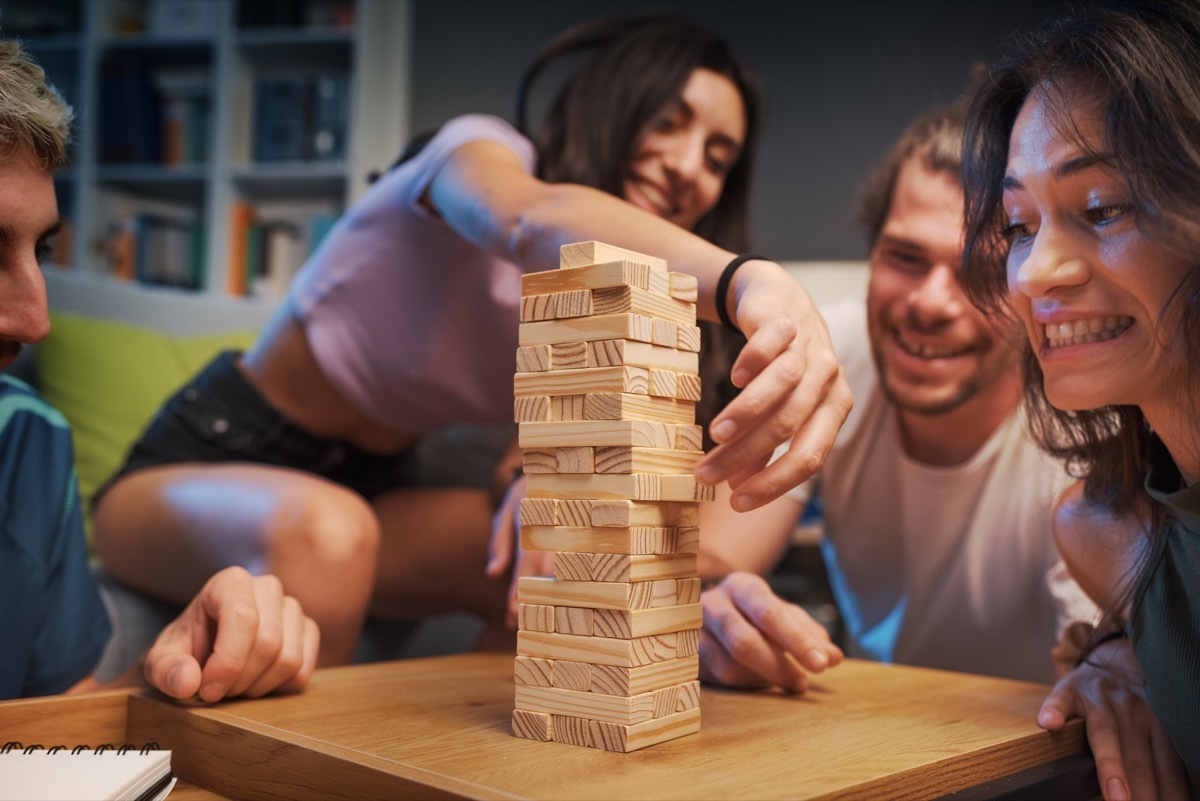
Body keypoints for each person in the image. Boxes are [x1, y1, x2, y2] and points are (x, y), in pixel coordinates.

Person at [91, 13, 853, 666]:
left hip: (377, 483)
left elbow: (536, 449)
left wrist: (539, 480)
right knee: (328, 531)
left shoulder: (614, 305)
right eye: (670, 121)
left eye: (718, 158)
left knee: (564, 558)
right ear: (611, 102)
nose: (688, 166)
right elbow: (529, 219)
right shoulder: (481, 157)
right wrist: (752, 282)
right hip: (209, 456)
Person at [695, 98, 1099, 693]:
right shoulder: (833, 353)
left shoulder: (1085, 420)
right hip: (872, 730)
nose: (930, 304)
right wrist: (717, 609)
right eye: (906, 258)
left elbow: (1096, 678)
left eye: (980, 272)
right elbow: (712, 558)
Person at [0, 38, 319, 702]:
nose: (36, 322)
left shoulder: (26, 439)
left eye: (44, 250)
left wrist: (184, 666)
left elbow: (54, 723)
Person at [958, 2, 1200, 798]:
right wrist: (1117, 646)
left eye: (1102, 209)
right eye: (1021, 225)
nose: (1032, 275)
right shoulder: (1105, 534)